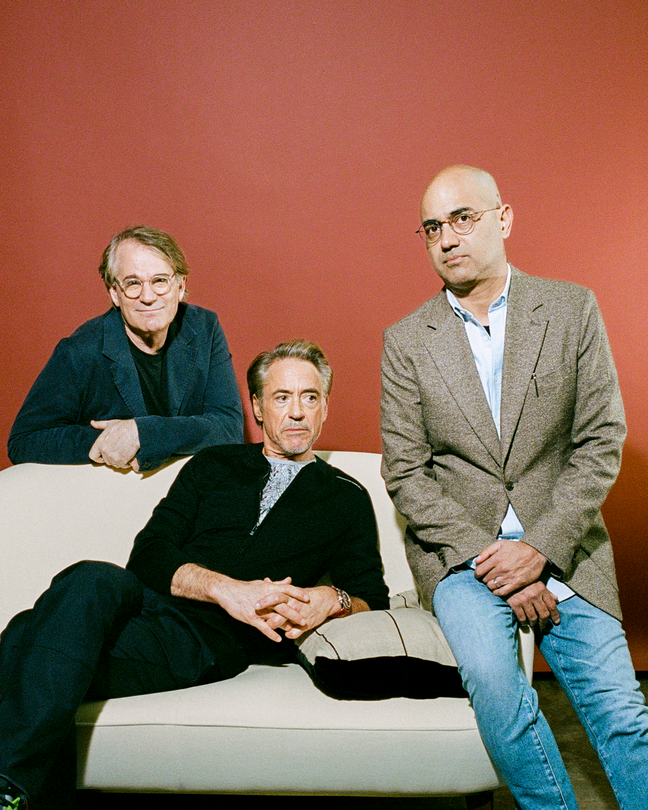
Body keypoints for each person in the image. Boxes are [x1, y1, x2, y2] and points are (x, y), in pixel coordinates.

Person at [0, 339, 389, 810]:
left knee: (23, 637)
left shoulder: (347, 497)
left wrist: (334, 599)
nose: (297, 412)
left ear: (326, 407)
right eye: (282, 397)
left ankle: (11, 790)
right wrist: (226, 589)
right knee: (89, 576)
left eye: (310, 397)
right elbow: (148, 553)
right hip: (139, 598)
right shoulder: (214, 463)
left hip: (201, 640)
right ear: (258, 408)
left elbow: (371, 595)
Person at [380, 164, 648, 809]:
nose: (446, 238)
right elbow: (405, 472)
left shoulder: (571, 308)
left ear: (504, 219)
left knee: (621, 714)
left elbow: (599, 439)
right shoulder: (406, 340)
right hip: (462, 558)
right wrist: (494, 562)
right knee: (501, 697)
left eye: (463, 218)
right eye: (432, 228)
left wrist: (540, 551)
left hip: (568, 549)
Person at [8, 226, 243, 472]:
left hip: (187, 489)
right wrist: (110, 440)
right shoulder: (80, 351)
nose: (148, 296)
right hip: (111, 494)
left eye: (160, 281)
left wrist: (142, 433)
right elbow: (24, 440)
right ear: (115, 293)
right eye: (132, 283)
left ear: (181, 286)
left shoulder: (205, 328)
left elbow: (229, 429)